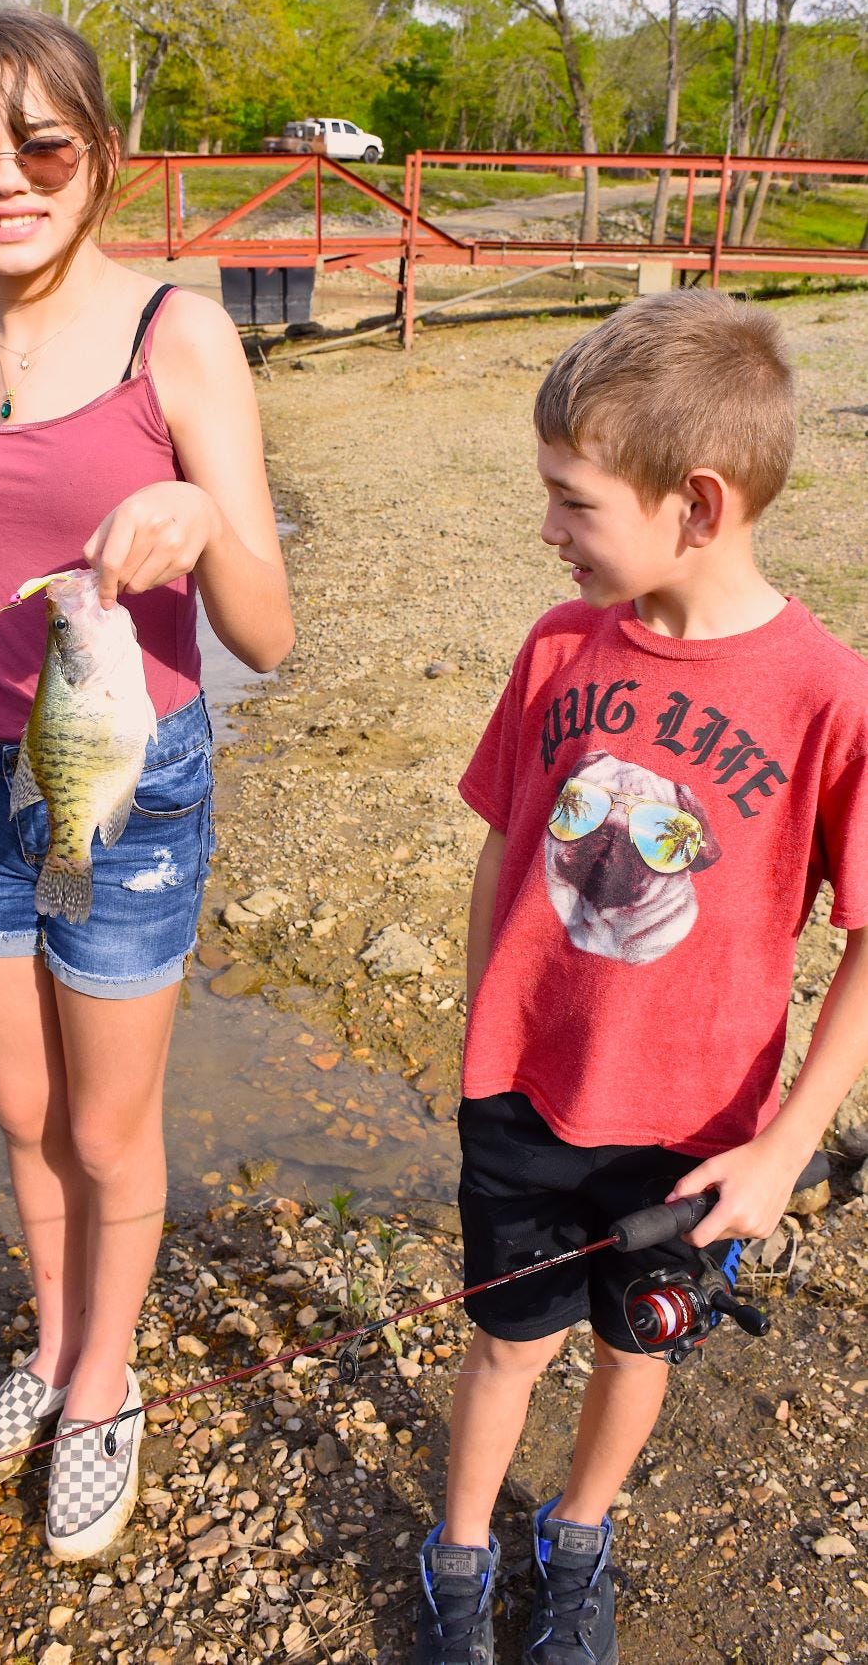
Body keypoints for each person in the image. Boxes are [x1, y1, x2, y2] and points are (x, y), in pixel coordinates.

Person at [0, 7, 293, 1562]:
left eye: (42, 145)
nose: (3, 178)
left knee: (109, 1130)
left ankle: (107, 1384)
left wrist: (193, 508)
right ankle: (49, 1345)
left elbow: (269, 634)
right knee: (23, 1114)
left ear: (102, 157)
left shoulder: (179, 332)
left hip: (126, 779)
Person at [414, 290, 868, 1665]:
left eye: (571, 500)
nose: (547, 529)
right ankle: (461, 1553)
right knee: (506, 1346)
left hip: (698, 1133)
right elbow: (503, 847)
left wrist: (786, 1146)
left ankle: (582, 1536)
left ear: (698, 503)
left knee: (640, 1346)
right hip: (526, 1103)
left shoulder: (826, 695)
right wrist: (478, 1032)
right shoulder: (559, 648)